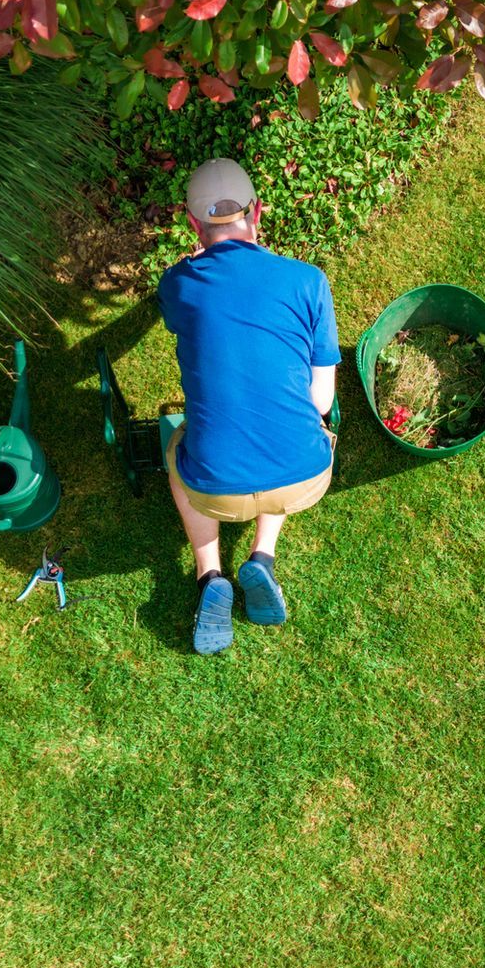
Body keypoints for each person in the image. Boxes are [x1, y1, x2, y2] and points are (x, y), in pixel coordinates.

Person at [157, 158, 339, 654]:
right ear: (257, 213)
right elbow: (321, 401)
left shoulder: (178, 285)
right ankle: (262, 557)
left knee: (177, 450)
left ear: (192, 223)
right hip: (305, 477)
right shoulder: (309, 281)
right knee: (294, 425)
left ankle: (209, 574)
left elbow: (177, 318)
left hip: (213, 489)